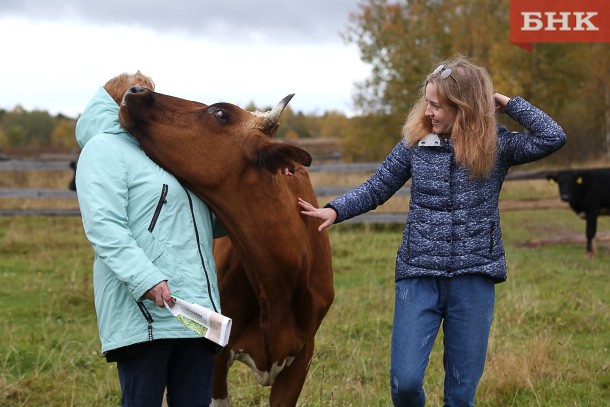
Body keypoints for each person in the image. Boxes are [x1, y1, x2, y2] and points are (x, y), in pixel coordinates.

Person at [298, 56, 566, 406]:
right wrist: (335, 209)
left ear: (464, 107)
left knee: (460, 394)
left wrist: (509, 103)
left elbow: (553, 137)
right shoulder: (414, 145)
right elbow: (378, 186)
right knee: (405, 383)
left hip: (474, 277)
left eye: (437, 105)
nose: (428, 112)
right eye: (427, 102)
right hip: (419, 275)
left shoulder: (496, 146)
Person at [75, 71, 225, 407]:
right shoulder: (103, 149)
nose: (150, 106)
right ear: (117, 103)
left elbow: (203, 222)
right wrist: (147, 279)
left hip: (195, 313)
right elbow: (104, 226)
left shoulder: (164, 153)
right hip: (146, 310)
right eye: (140, 97)